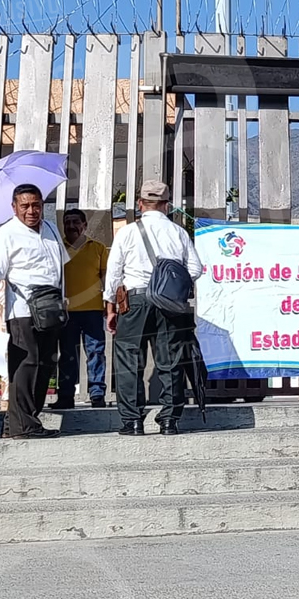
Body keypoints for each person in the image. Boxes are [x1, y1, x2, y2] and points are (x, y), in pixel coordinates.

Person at [104, 180, 203, 436]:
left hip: (134, 301)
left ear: (140, 204)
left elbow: (114, 273)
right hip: (169, 304)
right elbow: (195, 269)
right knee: (170, 360)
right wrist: (172, 286)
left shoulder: (126, 232)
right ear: (166, 205)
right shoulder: (177, 232)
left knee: (128, 358)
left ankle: (133, 421)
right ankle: (170, 419)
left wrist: (111, 309)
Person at [0, 184, 69, 440]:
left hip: (51, 306)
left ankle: (17, 423)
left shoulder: (51, 228)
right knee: (26, 365)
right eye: (25, 206)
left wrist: (65, 302)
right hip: (22, 308)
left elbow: (61, 269)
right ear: (14, 207)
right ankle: (25, 426)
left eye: (36, 205)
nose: (32, 211)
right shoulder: (7, 233)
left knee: (46, 364)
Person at [54, 209, 109, 409]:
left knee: (96, 352)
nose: (71, 226)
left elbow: (106, 279)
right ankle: (66, 396)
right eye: (67, 222)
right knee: (67, 354)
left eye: (75, 222)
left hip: (93, 310)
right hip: (66, 311)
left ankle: (97, 394)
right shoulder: (57, 248)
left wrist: (109, 304)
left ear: (85, 225)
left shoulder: (98, 248)